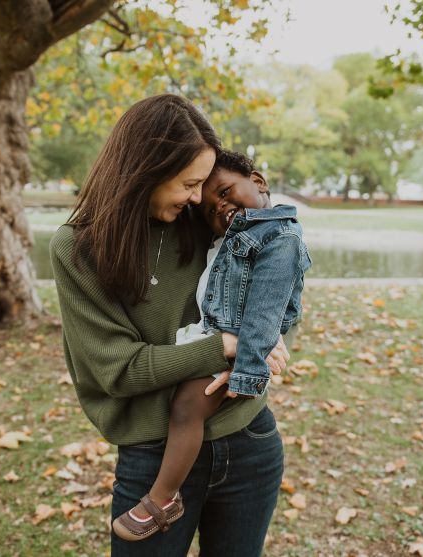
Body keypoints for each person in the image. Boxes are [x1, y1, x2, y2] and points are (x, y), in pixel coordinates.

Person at [49, 94, 289, 557]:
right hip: (153, 456)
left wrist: (269, 338)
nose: (197, 198)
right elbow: (117, 369)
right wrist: (226, 346)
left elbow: (276, 278)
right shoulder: (79, 249)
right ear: (145, 170)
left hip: (249, 440)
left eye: (203, 184)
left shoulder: (208, 221)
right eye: (187, 184)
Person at [111, 150, 311, 541]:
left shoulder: (279, 237)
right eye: (207, 207)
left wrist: (248, 370)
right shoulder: (237, 235)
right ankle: (165, 496)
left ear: (258, 182)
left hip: (242, 351)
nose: (219, 205)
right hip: (219, 338)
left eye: (224, 191)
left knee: (187, 405)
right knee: (184, 406)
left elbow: (268, 308)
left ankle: (162, 499)